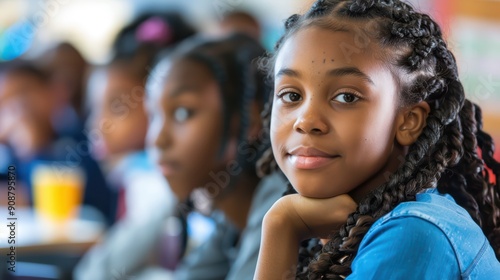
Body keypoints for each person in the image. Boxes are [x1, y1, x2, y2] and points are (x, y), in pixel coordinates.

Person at [254, 0, 500, 279]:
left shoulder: (414, 234)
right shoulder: (342, 227)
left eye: (346, 97)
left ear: (409, 121)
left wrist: (281, 227)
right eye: (291, 95)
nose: (306, 121)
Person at [146, 33, 287, 279]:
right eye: (153, 115)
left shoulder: (278, 207)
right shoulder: (231, 222)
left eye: (182, 113)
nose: (158, 139)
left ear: (251, 120)